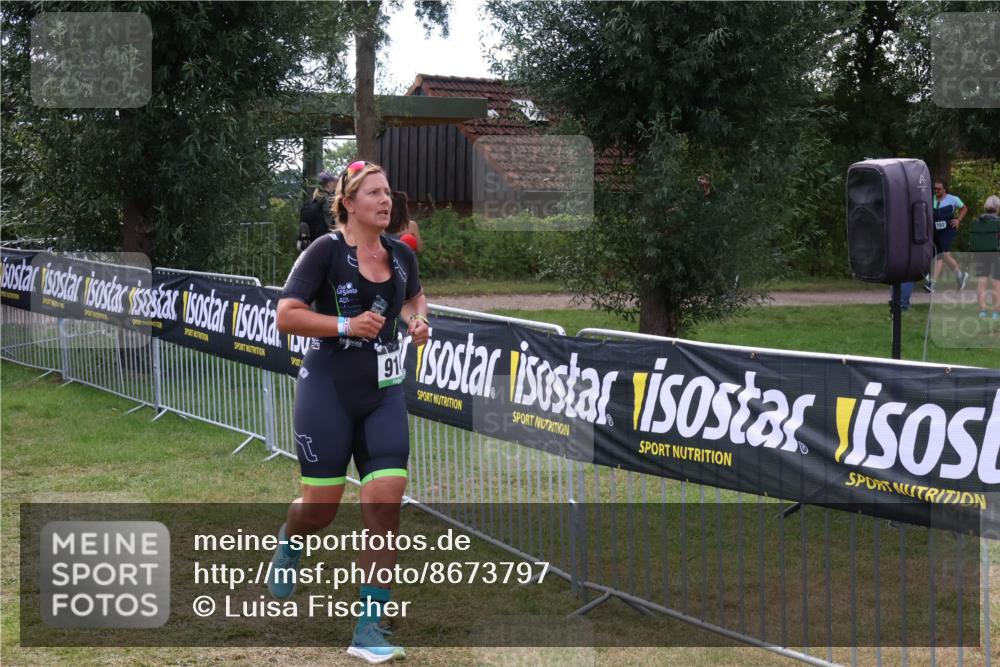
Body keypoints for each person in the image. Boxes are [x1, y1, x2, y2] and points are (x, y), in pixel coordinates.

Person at [271, 160, 429, 663]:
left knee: (385, 504)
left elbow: (415, 301)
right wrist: (345, 326)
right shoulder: (325, 250)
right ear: (348, 203)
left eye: (388, 192)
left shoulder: (401, 255)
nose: (385, 201)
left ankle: (368, 626)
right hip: (328, 391)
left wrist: (419, 322)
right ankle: (291, 538)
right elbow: (286, 315)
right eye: (374, 193)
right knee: (321, 508)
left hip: (384, 394)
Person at [924, 178, 970, 292]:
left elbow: (964, 208)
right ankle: (960, 275)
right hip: (935, 230)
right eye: (935, 188)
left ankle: (932, 284)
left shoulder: (953, 199)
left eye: (939, 189)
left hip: (948, 230)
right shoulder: (930, 198)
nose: (936, 191)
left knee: (940, 254)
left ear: (945, 189)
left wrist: (958, 219)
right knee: (945, 255)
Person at [969, 194, 1000, 320]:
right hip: (995, 255)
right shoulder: (998, 222)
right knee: (996, 283)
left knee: (982, 283)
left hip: (980, 255)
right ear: (997, 207)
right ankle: (996, 312)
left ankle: (983, 311)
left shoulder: (977, 221)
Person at [296, 171, 337, 252]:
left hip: (312, 245)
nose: (334, 184)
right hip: (326, 243)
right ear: (328, 184)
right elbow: (333, 223)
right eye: (333, 182)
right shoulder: (330, 201)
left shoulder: (313, 201)